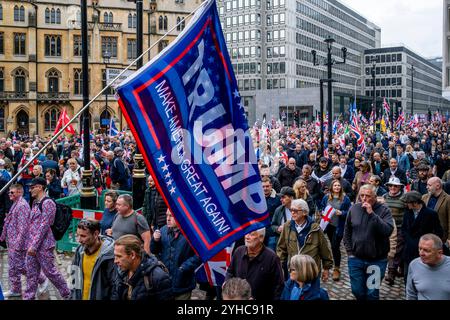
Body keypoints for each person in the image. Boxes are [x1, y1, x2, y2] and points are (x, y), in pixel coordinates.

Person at [343, 184, 394, 300]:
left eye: (367, 196)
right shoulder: (354, 208)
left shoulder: (384, 210)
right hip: (356, 259)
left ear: (375, 196)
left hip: (377, 260)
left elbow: (387, 231)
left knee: (372, 292)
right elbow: (347, 232)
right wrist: (350, 252)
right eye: (362, 195)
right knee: (357, 290)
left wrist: (372, 214)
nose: (364, 198)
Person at [24, 177, 71, 300]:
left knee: (50, 272)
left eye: (32, 187)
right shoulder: (35, 203)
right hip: (32, 244)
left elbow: (44, 226)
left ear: (39, 187)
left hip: (44, 245)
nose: (30, 190)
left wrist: (34, 245)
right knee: (31, 273)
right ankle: (29, 297)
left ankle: (67, 293)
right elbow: (33, 223)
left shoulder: (48, 203)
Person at [277, 199, 333, 282]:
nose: (292, 213)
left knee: (312, 295)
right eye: (291, 210)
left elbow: (325, 250)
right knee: (294, 294)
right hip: (293, 271)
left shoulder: (315, 229)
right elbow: (281, 248)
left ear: (305, 212)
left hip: (311, 272)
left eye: (295, 211)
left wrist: (326, 268)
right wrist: (280, 266)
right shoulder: (287, 226)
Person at [151, 209, 201, 300]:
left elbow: (199, 255)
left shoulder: (191, 233)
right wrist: (155, 241)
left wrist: (184, 267)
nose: (168, 219)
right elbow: (154, 250)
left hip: (183, 283)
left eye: (171, 216)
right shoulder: (163, 230)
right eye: (167, 215)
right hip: (165, 283)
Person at [226, 228, 284, 300]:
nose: (247, 237)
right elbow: (230, 272)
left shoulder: (272, 258)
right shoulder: (238, 251)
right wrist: (227, 285)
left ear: (261, 238)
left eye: (252, 234)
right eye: (246, 233)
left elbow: (278, 287)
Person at [111, 234, 173, 301]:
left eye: (119, 256)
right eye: (115, 256)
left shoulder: (158, 277)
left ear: (132, 255)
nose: (115, 261)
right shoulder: (121, 272)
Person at [0, 184, 35, 298]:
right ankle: (15, 290)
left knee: (20, 266)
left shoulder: (22, 205)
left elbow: (23, 227)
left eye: (12, 192)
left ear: (20, 192)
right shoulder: (15, 203)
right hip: (12, 242)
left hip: (18, 243)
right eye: (9, 192)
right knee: (12, 268)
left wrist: (18, 245)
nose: (10, 194)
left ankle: (40, 278)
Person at [401, 191, 443, 282]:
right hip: (409, 250)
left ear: (415, 203)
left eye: (407, 203)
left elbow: (438, 232)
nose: (406, 205)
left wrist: (429, 245)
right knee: (407, 277)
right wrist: (407, 240)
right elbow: (403, 229)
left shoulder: (431, 214)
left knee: (421, 278)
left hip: (423, 252)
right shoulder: (407, 212)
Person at [70, 219, 115, 300]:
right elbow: (74, 278)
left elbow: (114, 286)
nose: (79, 240)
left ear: (95, 234)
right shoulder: (79, 251)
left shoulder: (108, 255)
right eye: (78, 235)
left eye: (83, 236)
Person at [319, 180, 351, 281]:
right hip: (329, 226)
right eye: (335, 185)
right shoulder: (326, 197)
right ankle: (330, 265)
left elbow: (349, 212)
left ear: (341, 187)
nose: (337, 187)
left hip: (339, 226)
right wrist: (322, 212)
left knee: (335, 246)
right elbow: (322, 207)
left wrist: (341, 213)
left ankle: (336, 268)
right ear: (331, 187)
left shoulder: (345, 199)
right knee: (332, 245)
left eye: (338, 185)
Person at [406, 234, 450, 300]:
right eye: (420, 248)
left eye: (426, 250)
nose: (421, 253)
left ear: (439, 253)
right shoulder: (414, 265)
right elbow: (411, 294)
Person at [382, 177, 407, 285]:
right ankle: (400, 267)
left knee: (395, 250)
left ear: (400, 187)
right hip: (386, 227)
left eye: (395, 186)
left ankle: (391, 273)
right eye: (391, 185)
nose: (393, 187)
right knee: (389, 248)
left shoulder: (404, 198)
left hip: (400, 227)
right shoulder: (384, 197)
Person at [422, 177, 450, 245]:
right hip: (425, 236)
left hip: (441, 238)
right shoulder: (424, 197)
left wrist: (449, 238)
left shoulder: (448, 199)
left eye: (429, 185)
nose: (427, 187)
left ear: (437, 186)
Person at [261, 177, 281, 251]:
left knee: (271, 253)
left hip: (272, 232)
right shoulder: (256, 198)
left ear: (271, 186)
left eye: (267, 186)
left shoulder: (278, 199)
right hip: (260, 232)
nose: (265, 188)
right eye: (263, 186)